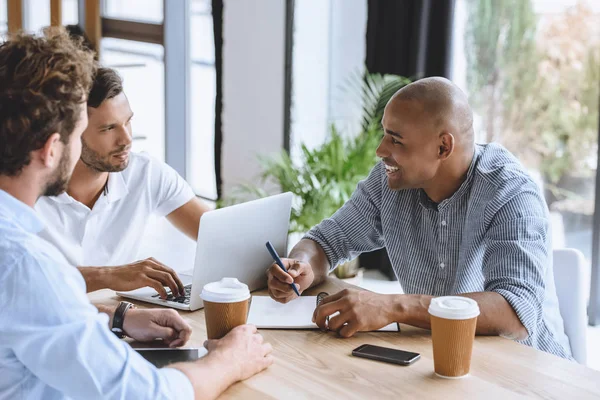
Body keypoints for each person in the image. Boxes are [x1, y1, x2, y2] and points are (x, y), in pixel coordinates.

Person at [0, 28, 272, 399]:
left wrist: (119, 317)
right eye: (81, 131)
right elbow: (146, 395)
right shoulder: (25, 265)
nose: (126, 138)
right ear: (52, 149)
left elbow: (24, 316)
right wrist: (230, 361)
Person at [266, 77, 572, 359]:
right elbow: (326, 241)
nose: (380, 150)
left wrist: (394, 306)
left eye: (396, 140)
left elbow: (516, 314)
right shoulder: (390, 181)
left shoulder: (511, 193)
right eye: (384, 134)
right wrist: (303, 265)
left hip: (528, 371)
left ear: (443, 146)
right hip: (439, 356)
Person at [35, 67, 211, 299]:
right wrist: (108, 275)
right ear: (70, 132)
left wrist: (274, 262)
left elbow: (217, 233)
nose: (127, 139)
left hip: (121, 322)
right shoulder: (25, 190)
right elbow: (19, 284)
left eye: (127, 122)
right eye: (108, 128)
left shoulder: (145, 173)